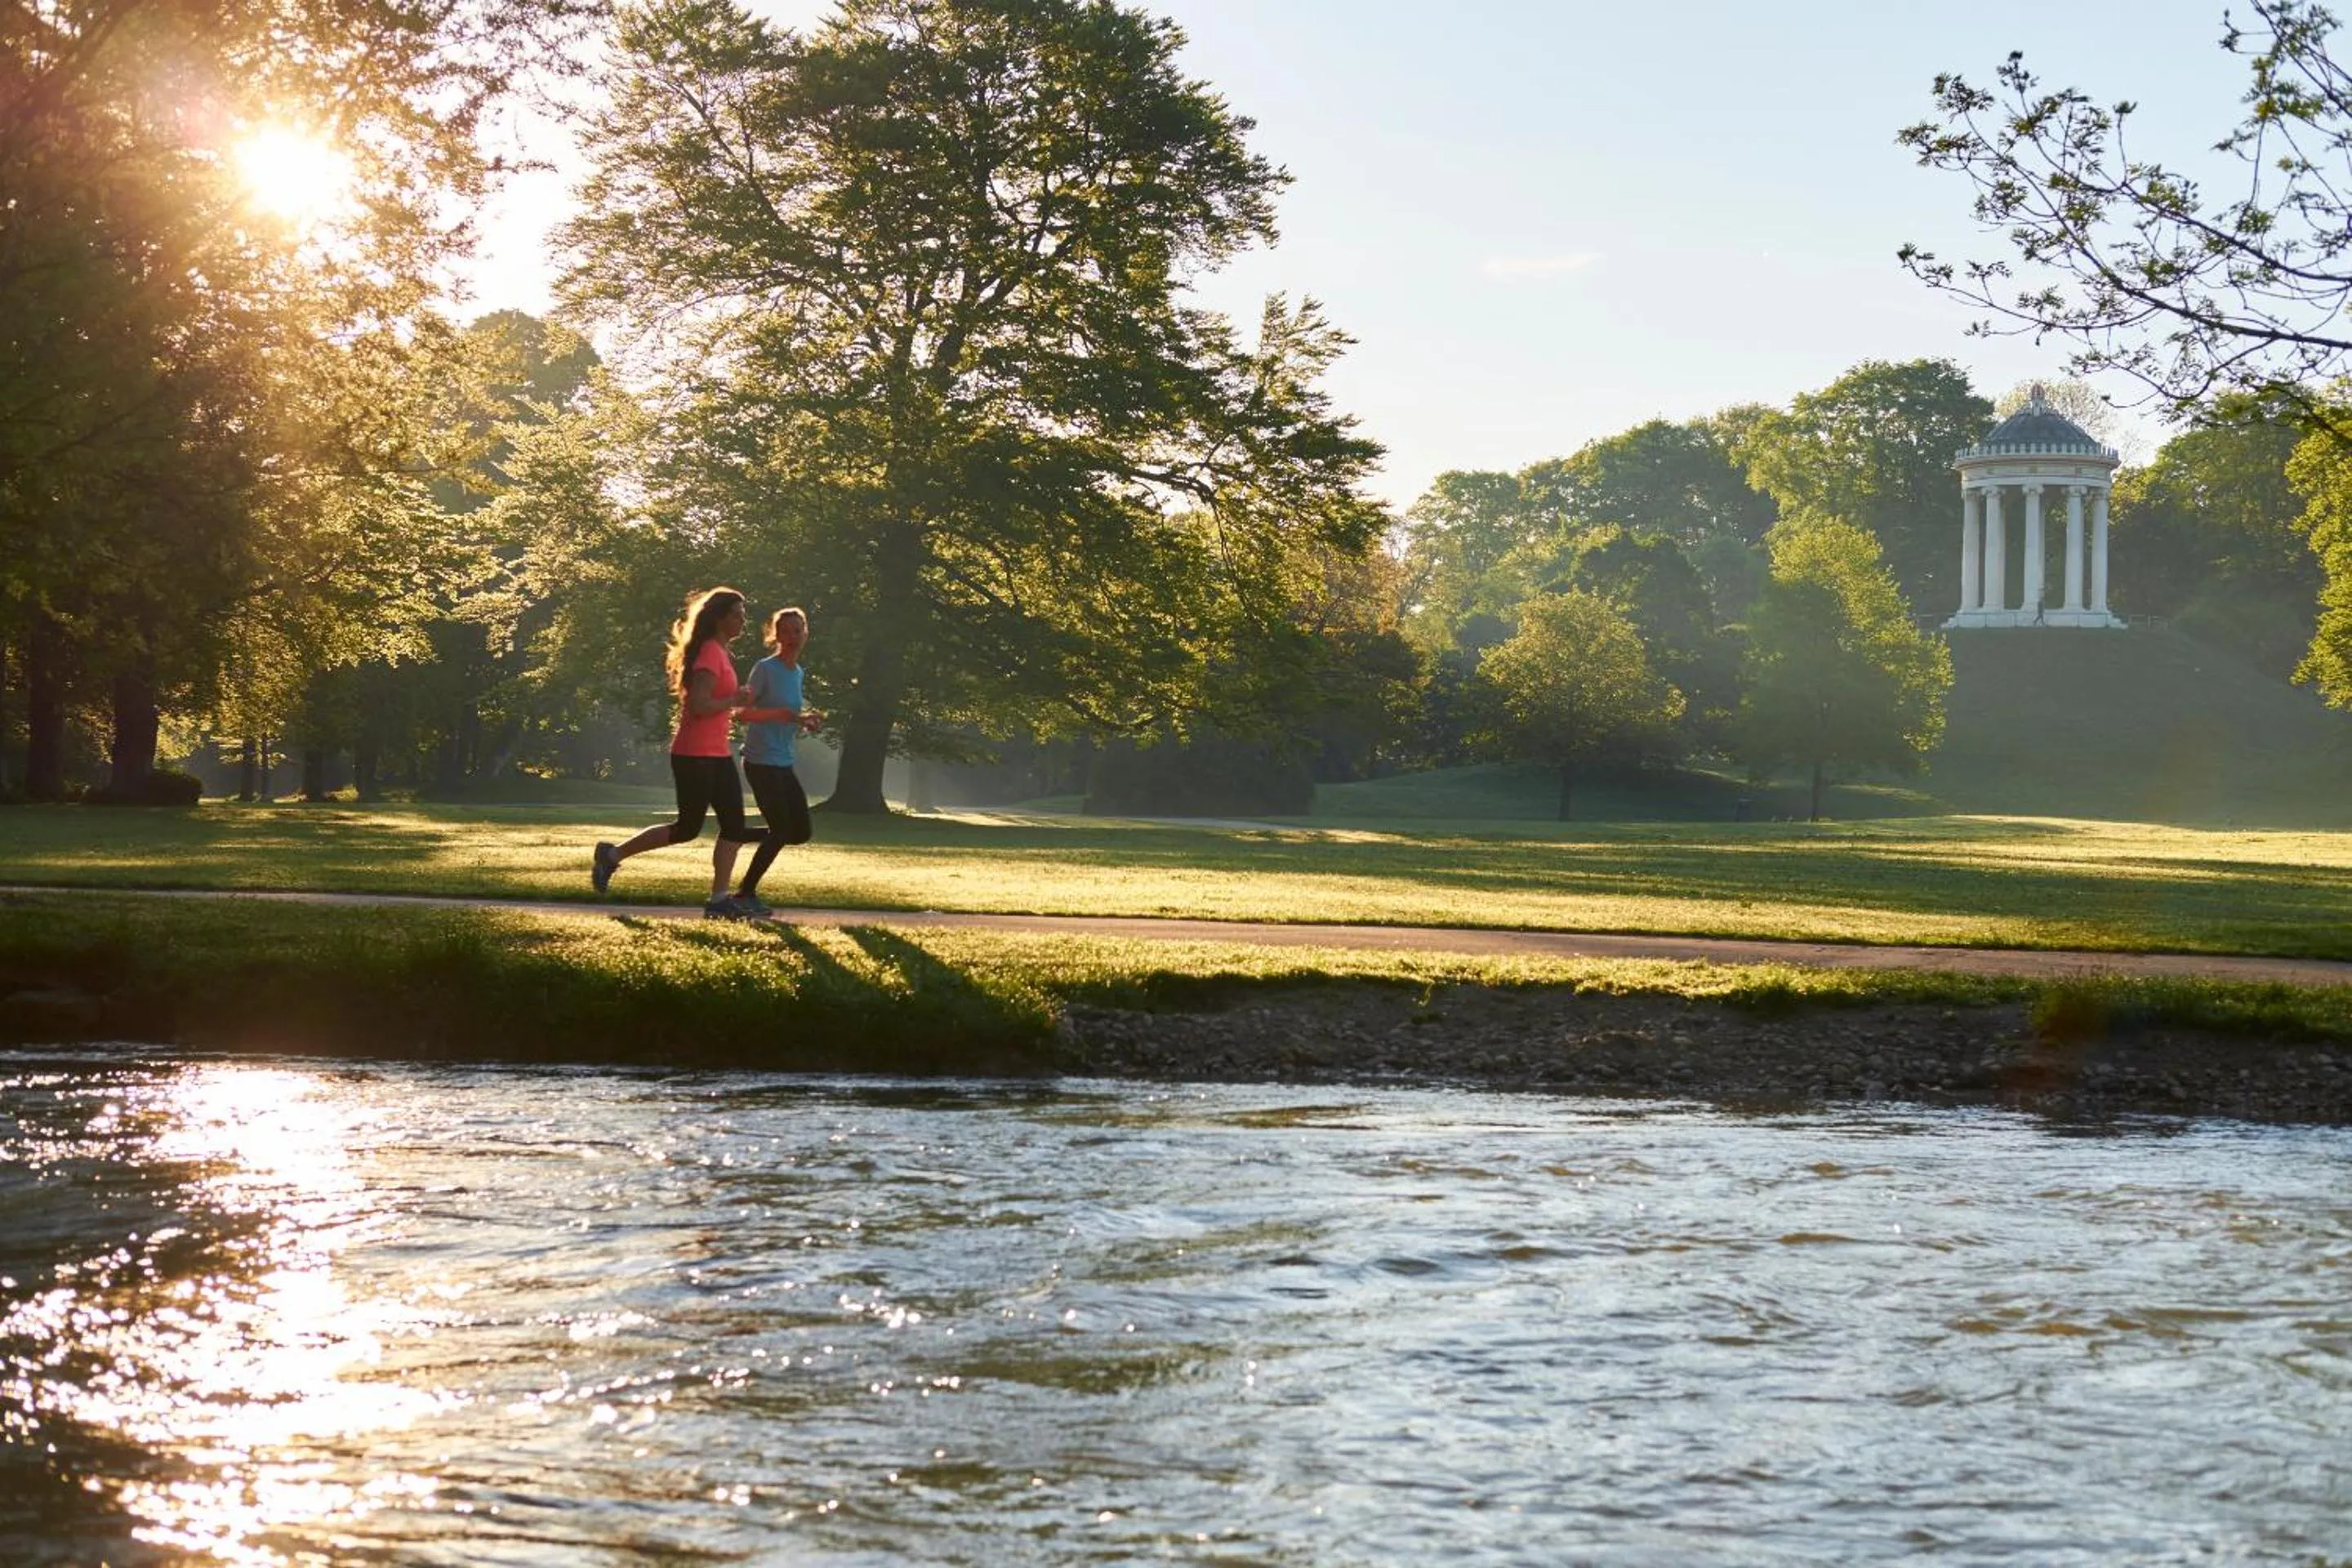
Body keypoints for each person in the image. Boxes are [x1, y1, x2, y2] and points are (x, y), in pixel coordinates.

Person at [592, 586, 767, 918]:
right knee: (688, 827)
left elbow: (716, 706)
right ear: (719, 617)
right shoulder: (709, 655)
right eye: (737, 613)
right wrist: (734, 701)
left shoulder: (719, 651)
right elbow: (699, 706)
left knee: (733, 826)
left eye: (744, 613)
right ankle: (611, 855)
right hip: (695, 753)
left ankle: (719, 901)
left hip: (715, 752)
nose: (743, 619)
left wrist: (740, 706)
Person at [727, 606, 823, 916]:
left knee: (800, 832)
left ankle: (738, 834)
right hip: (759, 760)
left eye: (798, 630)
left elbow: (788, 714)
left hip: (783, 761)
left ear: (805, 634)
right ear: (775, 635)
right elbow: (741, 713)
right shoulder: (765, 668)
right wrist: (778, 715)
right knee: (781, 831)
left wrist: (804, 720)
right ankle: (745, 894)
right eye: (786, 631)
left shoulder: (798, 673)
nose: (792, 637)